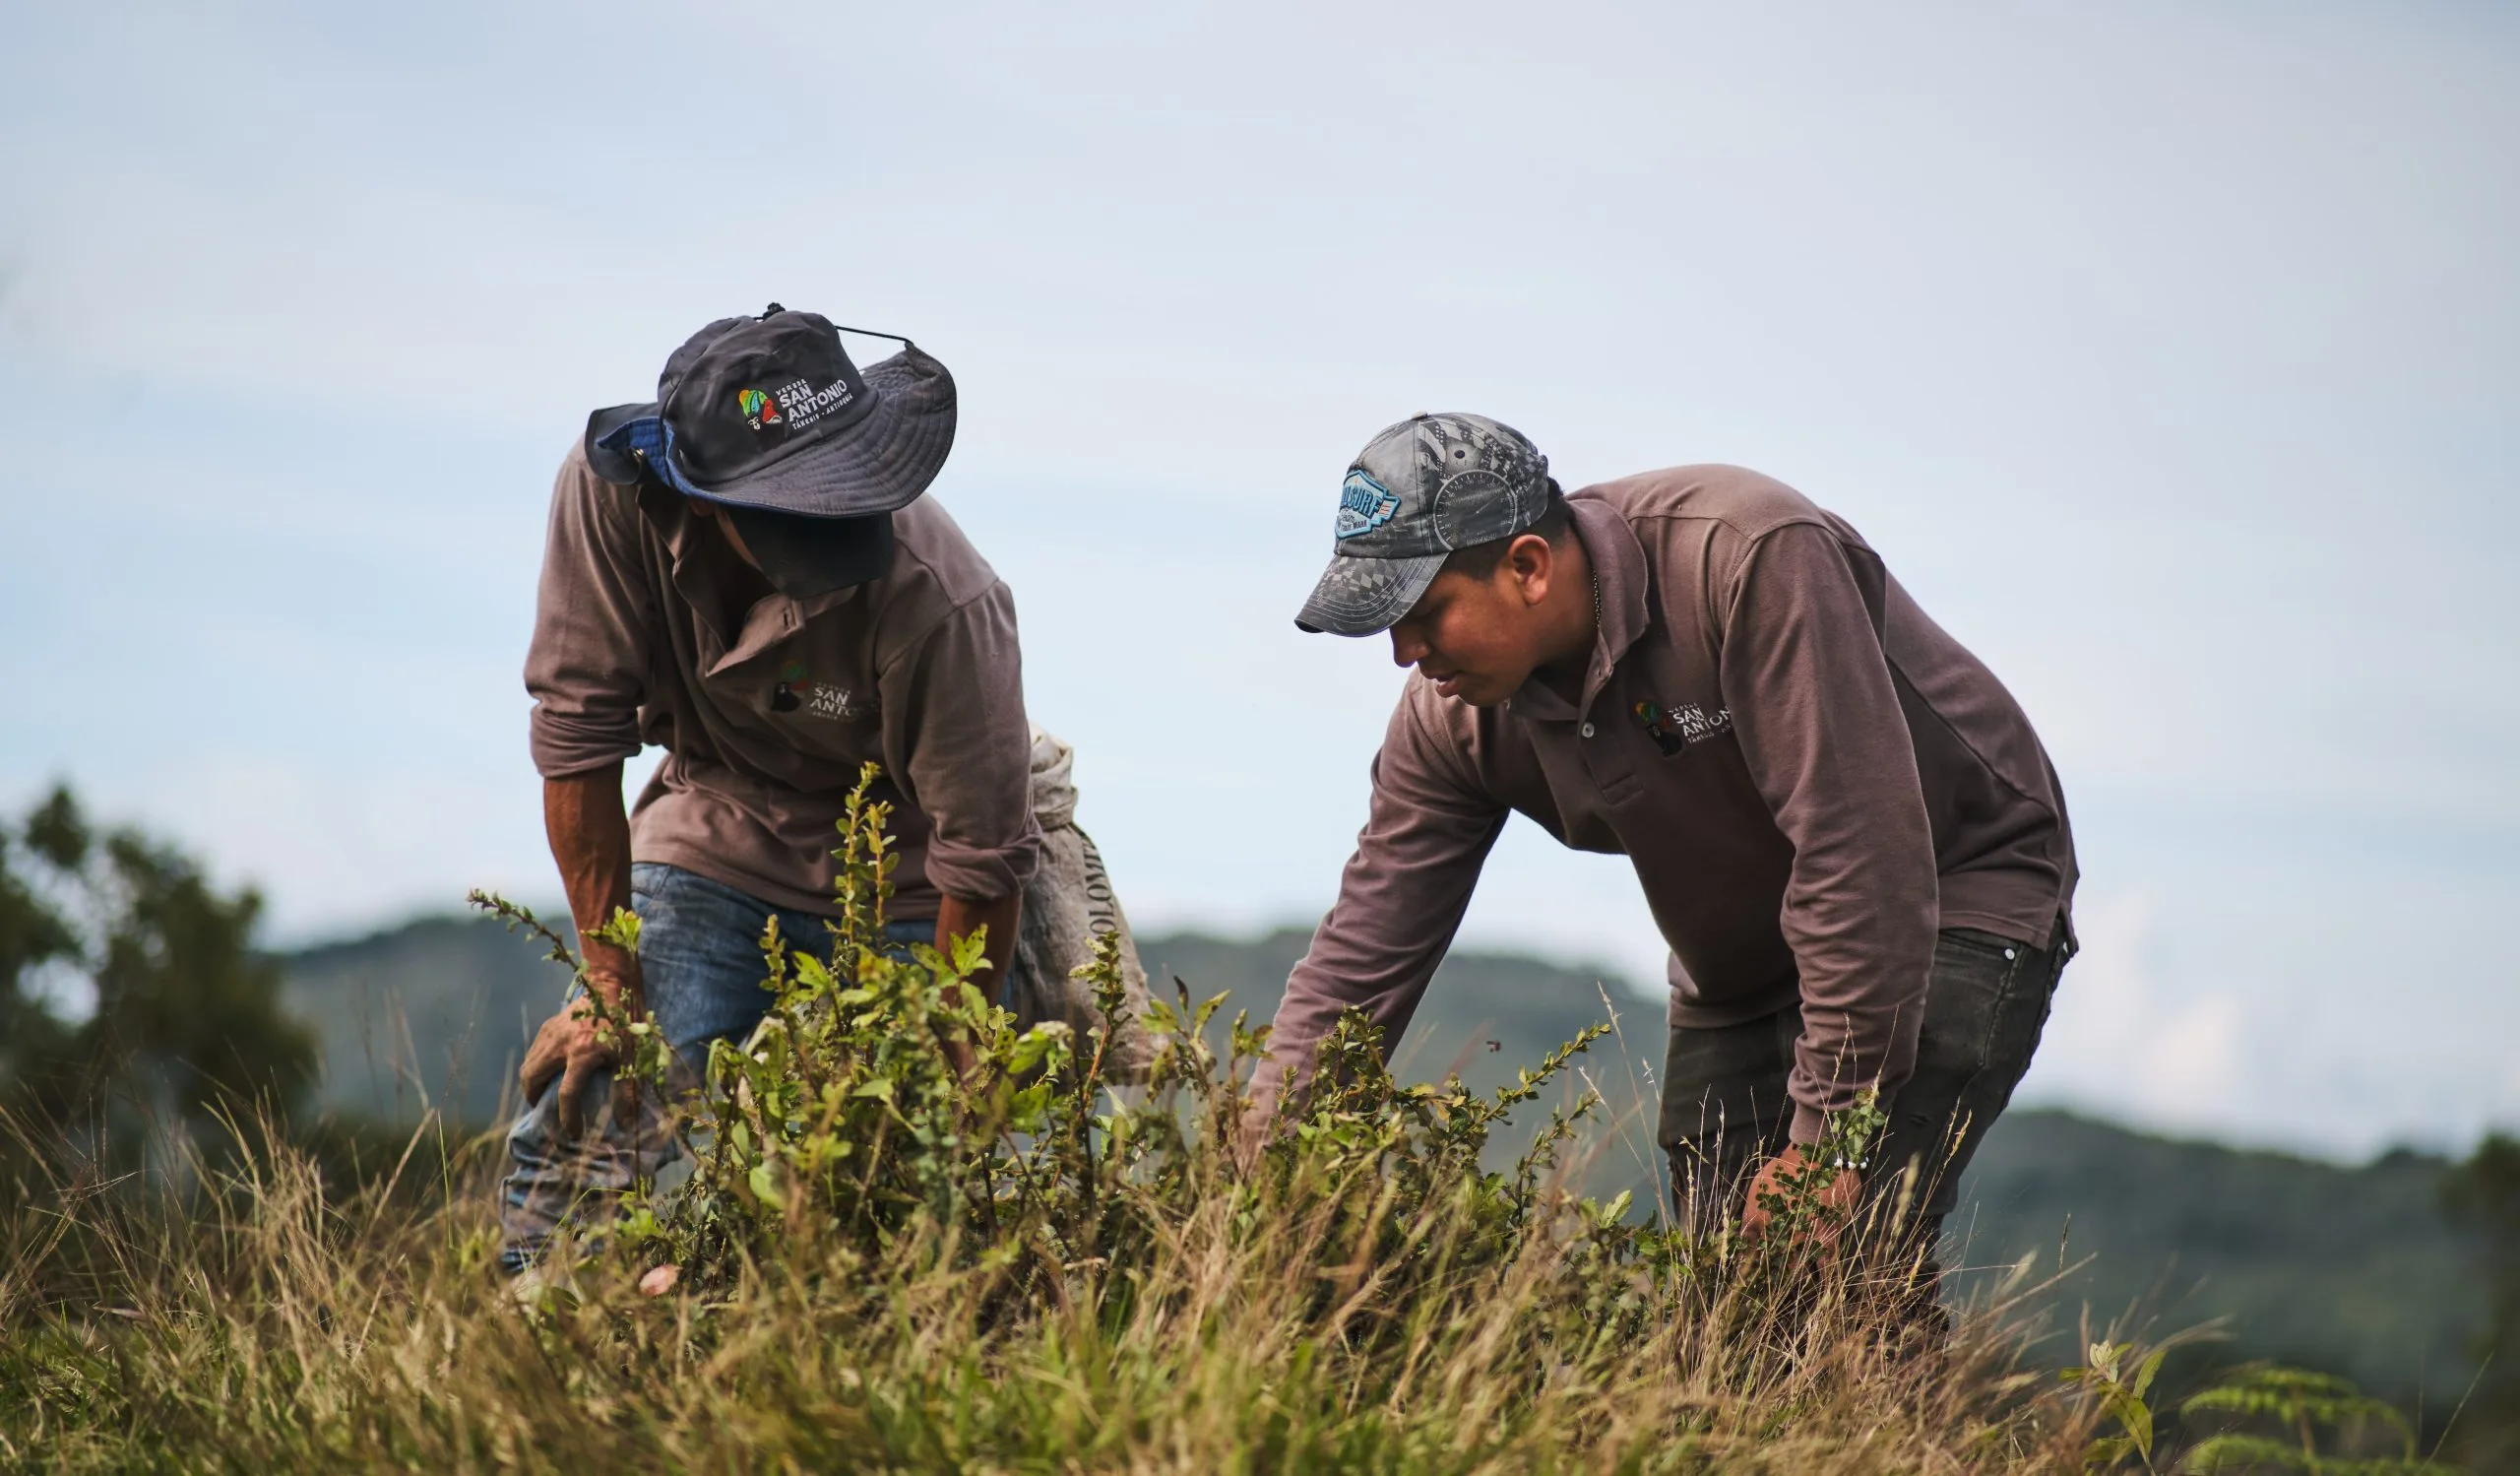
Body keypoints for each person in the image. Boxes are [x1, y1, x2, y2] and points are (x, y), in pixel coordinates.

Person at [1264, 412, 2076, 1272]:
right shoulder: (1451, 721)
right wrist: (1255, 1176)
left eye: (1424, 613)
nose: (1402, 653)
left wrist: (1827, 1145)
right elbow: (1362, 952)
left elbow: (1859, 855)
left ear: (1527, 568)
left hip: (1952, 891)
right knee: (1720, 1307)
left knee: (1830, 1267)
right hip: (1741, 968)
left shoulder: (1749, 559)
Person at [502, 305, 1040, 1273]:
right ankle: (547, 1349)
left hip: (911, 880)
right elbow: (578, 737)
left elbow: (984, 852)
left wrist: (956, 1044)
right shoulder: (606, 500)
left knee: (905, 1178)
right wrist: (609, 979)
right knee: (591, 1106)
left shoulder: (948, 602)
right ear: (702, 495)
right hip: (717, 820)